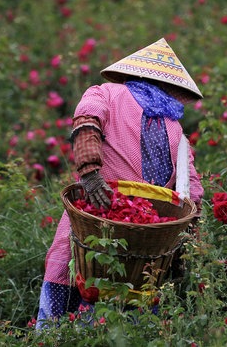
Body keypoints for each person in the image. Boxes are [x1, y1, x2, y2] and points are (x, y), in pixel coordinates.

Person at [36, 37, 204, 328]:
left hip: (95, 217)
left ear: (131, 75)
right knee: (134, 316)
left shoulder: (106, 93)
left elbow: (86, 121)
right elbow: (192, 194)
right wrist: (185, 238)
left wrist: (91, 175)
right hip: (148, 240)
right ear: (172, 89)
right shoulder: (177, 130)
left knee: (68, 275)